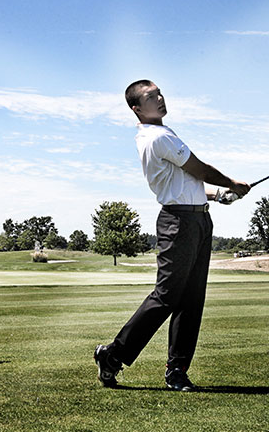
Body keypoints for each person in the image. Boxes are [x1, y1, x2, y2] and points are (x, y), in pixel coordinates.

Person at [94, 80, 251, 391]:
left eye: (160, 93)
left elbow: (185, 181)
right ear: (137, 108)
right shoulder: (159, 137)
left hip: (198, 220)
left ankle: (177, 371)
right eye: (152, 97)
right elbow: (200, 169)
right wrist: (233, 183)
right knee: (167, 296)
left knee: (191, 300)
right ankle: (113, 356)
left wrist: (217, 196)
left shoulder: (162, 135)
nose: (160, 99)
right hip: (178, 223)